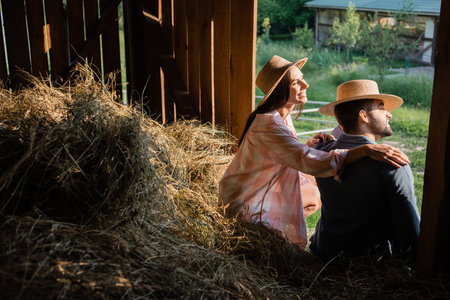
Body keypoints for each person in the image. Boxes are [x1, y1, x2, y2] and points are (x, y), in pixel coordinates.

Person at [218, 55, 409, 249]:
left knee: (312, 194)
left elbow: (285, 151)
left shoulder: (281, 117)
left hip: (256, 186)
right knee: (313, 195)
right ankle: (266, 233)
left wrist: (307, 145)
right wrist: (366, 150)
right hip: (245, 200)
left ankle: (275, 233)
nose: (306, 84)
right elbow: (308, 161)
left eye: (303, 78)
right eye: (296, 82)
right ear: (281, 90)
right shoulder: (268, 124)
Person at [309, 79, 420, 261]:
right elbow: (410, 231)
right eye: (381, 107)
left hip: (324, 256)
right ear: (364, 116)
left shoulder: (321, 153)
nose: (389, 114)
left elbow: (345, 132)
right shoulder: (392, 164)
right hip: (370, 265)